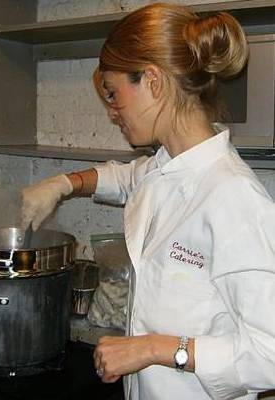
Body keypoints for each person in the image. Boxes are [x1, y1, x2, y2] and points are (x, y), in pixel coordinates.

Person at [21, 3, 275, 399]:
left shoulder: (232, 197)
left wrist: (151, 348)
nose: (111, 112)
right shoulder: (167, 166)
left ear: (153, 82)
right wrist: (63, 183)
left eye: (114, 94)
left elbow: (269, 355)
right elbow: (126, 178)